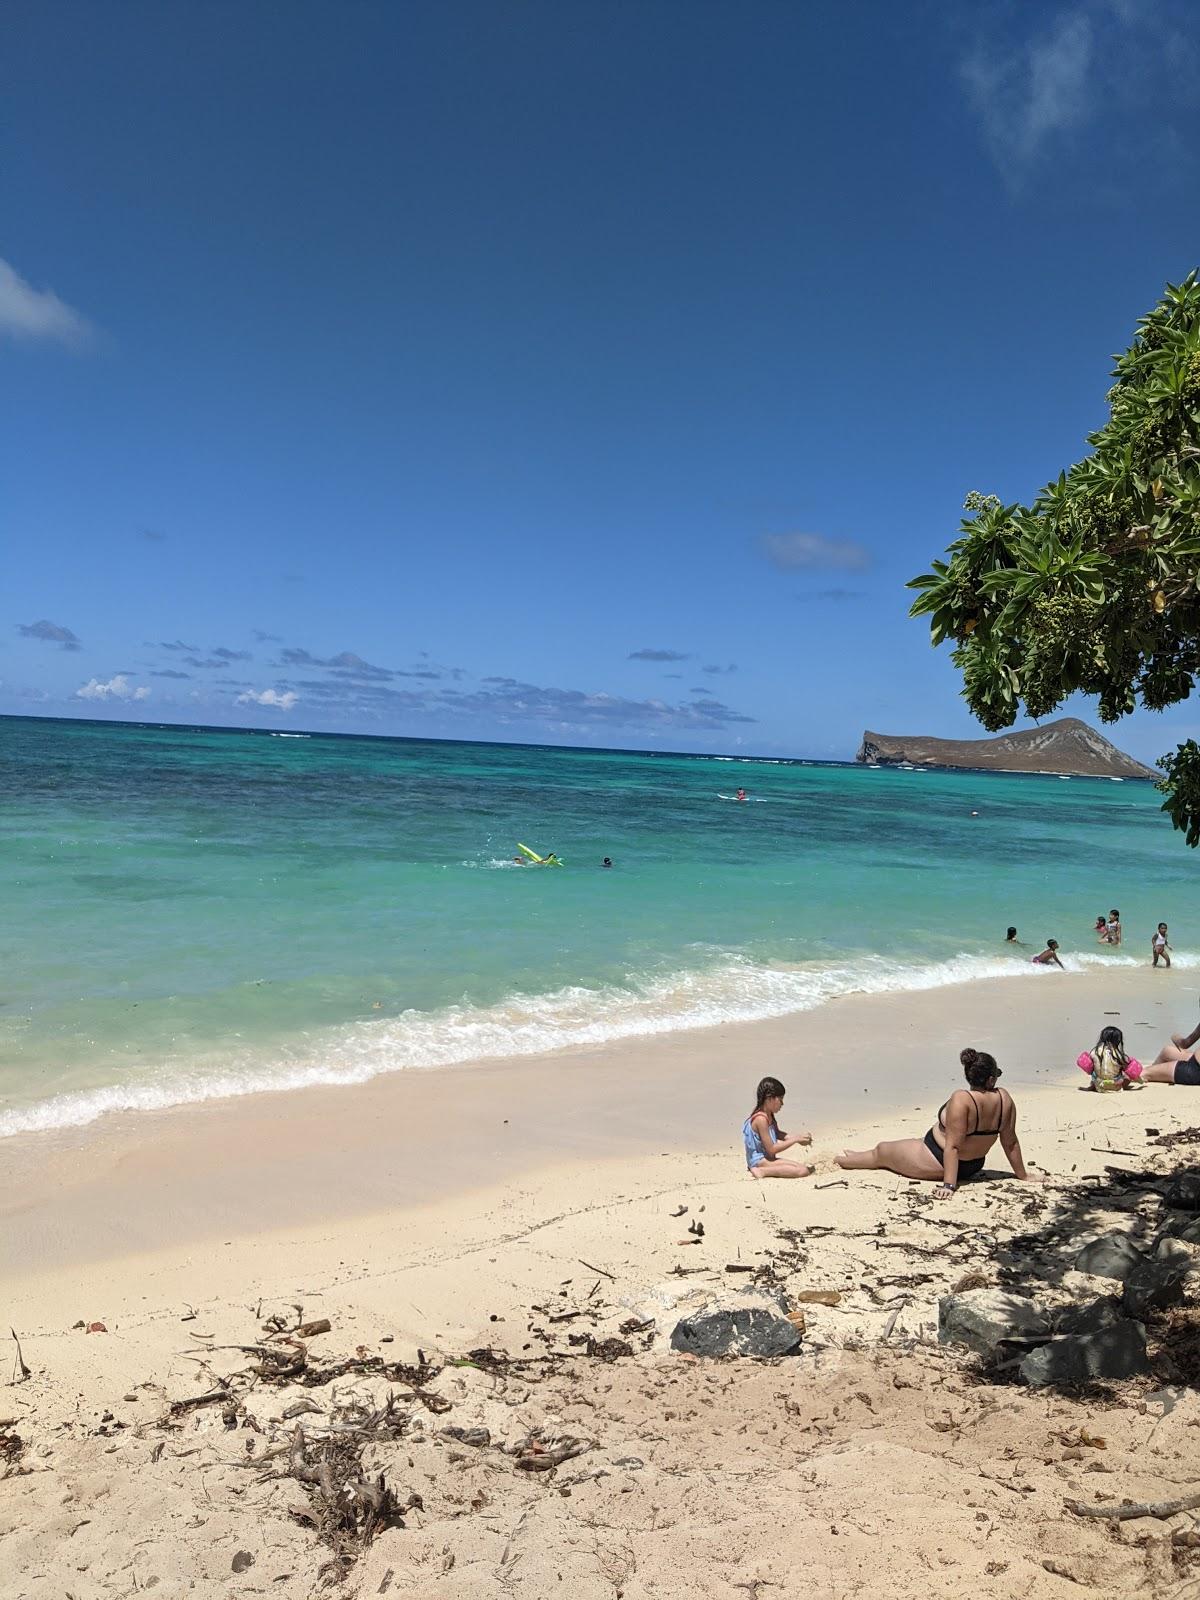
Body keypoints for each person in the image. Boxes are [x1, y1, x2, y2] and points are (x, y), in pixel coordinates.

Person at [836, 1047, 1038, 1199]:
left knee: (882, 1151)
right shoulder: (1004, 1098)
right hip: (974, 1163)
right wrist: (1022, 1175)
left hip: (939, 1160)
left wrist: (948, 1186)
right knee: (904, 1145)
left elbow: (953, 1147)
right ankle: (856, 1155)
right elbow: (1010, 1142)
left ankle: (839, 1161)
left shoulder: (963, 1099)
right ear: (991, 1079)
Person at [743, 1076, 813, 1179]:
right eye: (780, 1100)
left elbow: (777, 1133)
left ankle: (764, 1169)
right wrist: (795, 1140)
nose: (782, 1104)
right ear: (769, 1098)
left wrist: (799, 1139)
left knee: (801, 1167)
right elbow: (772, 1149)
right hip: (759, 1161)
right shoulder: (761, 1119)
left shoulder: (769, 1115)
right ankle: (762, 1171)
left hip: (767, 1159)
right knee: (802, 1171)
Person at [1076, 1026, 1144, 1092]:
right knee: (1127, 1076)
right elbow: (1131, 1071)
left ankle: (1092, 1086)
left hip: (1099, 1086)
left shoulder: (1094, 1052)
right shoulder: (1119, 1055)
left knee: (1095, 1073)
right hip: (1115, 1086)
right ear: (1118, 1040)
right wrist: (1140, 1081)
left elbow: (1089, 1068)